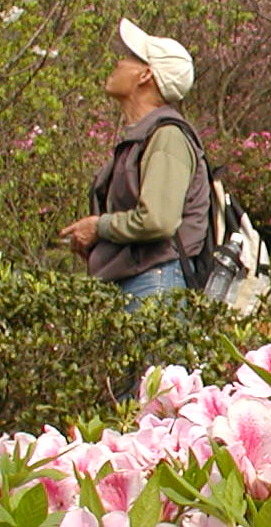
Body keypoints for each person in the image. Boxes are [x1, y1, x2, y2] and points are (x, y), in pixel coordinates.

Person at [59, 18, 208, 309]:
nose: (118, 62)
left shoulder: (167, 138)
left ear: (145, 75)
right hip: (143, 280)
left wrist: (98, 227)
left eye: (130, 58)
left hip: (155, 283)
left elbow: (158, 220)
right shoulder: (147, 137)